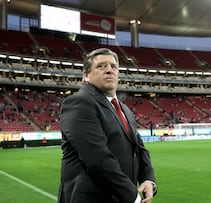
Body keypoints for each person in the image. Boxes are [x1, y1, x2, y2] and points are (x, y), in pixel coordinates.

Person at [58, 48, 157, 203]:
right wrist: (132, 196)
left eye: (113, 66)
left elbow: (140, 149)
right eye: (101, 66)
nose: (109, 70)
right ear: (86, 75)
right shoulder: (80, 102)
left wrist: (148, 179)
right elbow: (97, 157)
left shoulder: (124, 109)